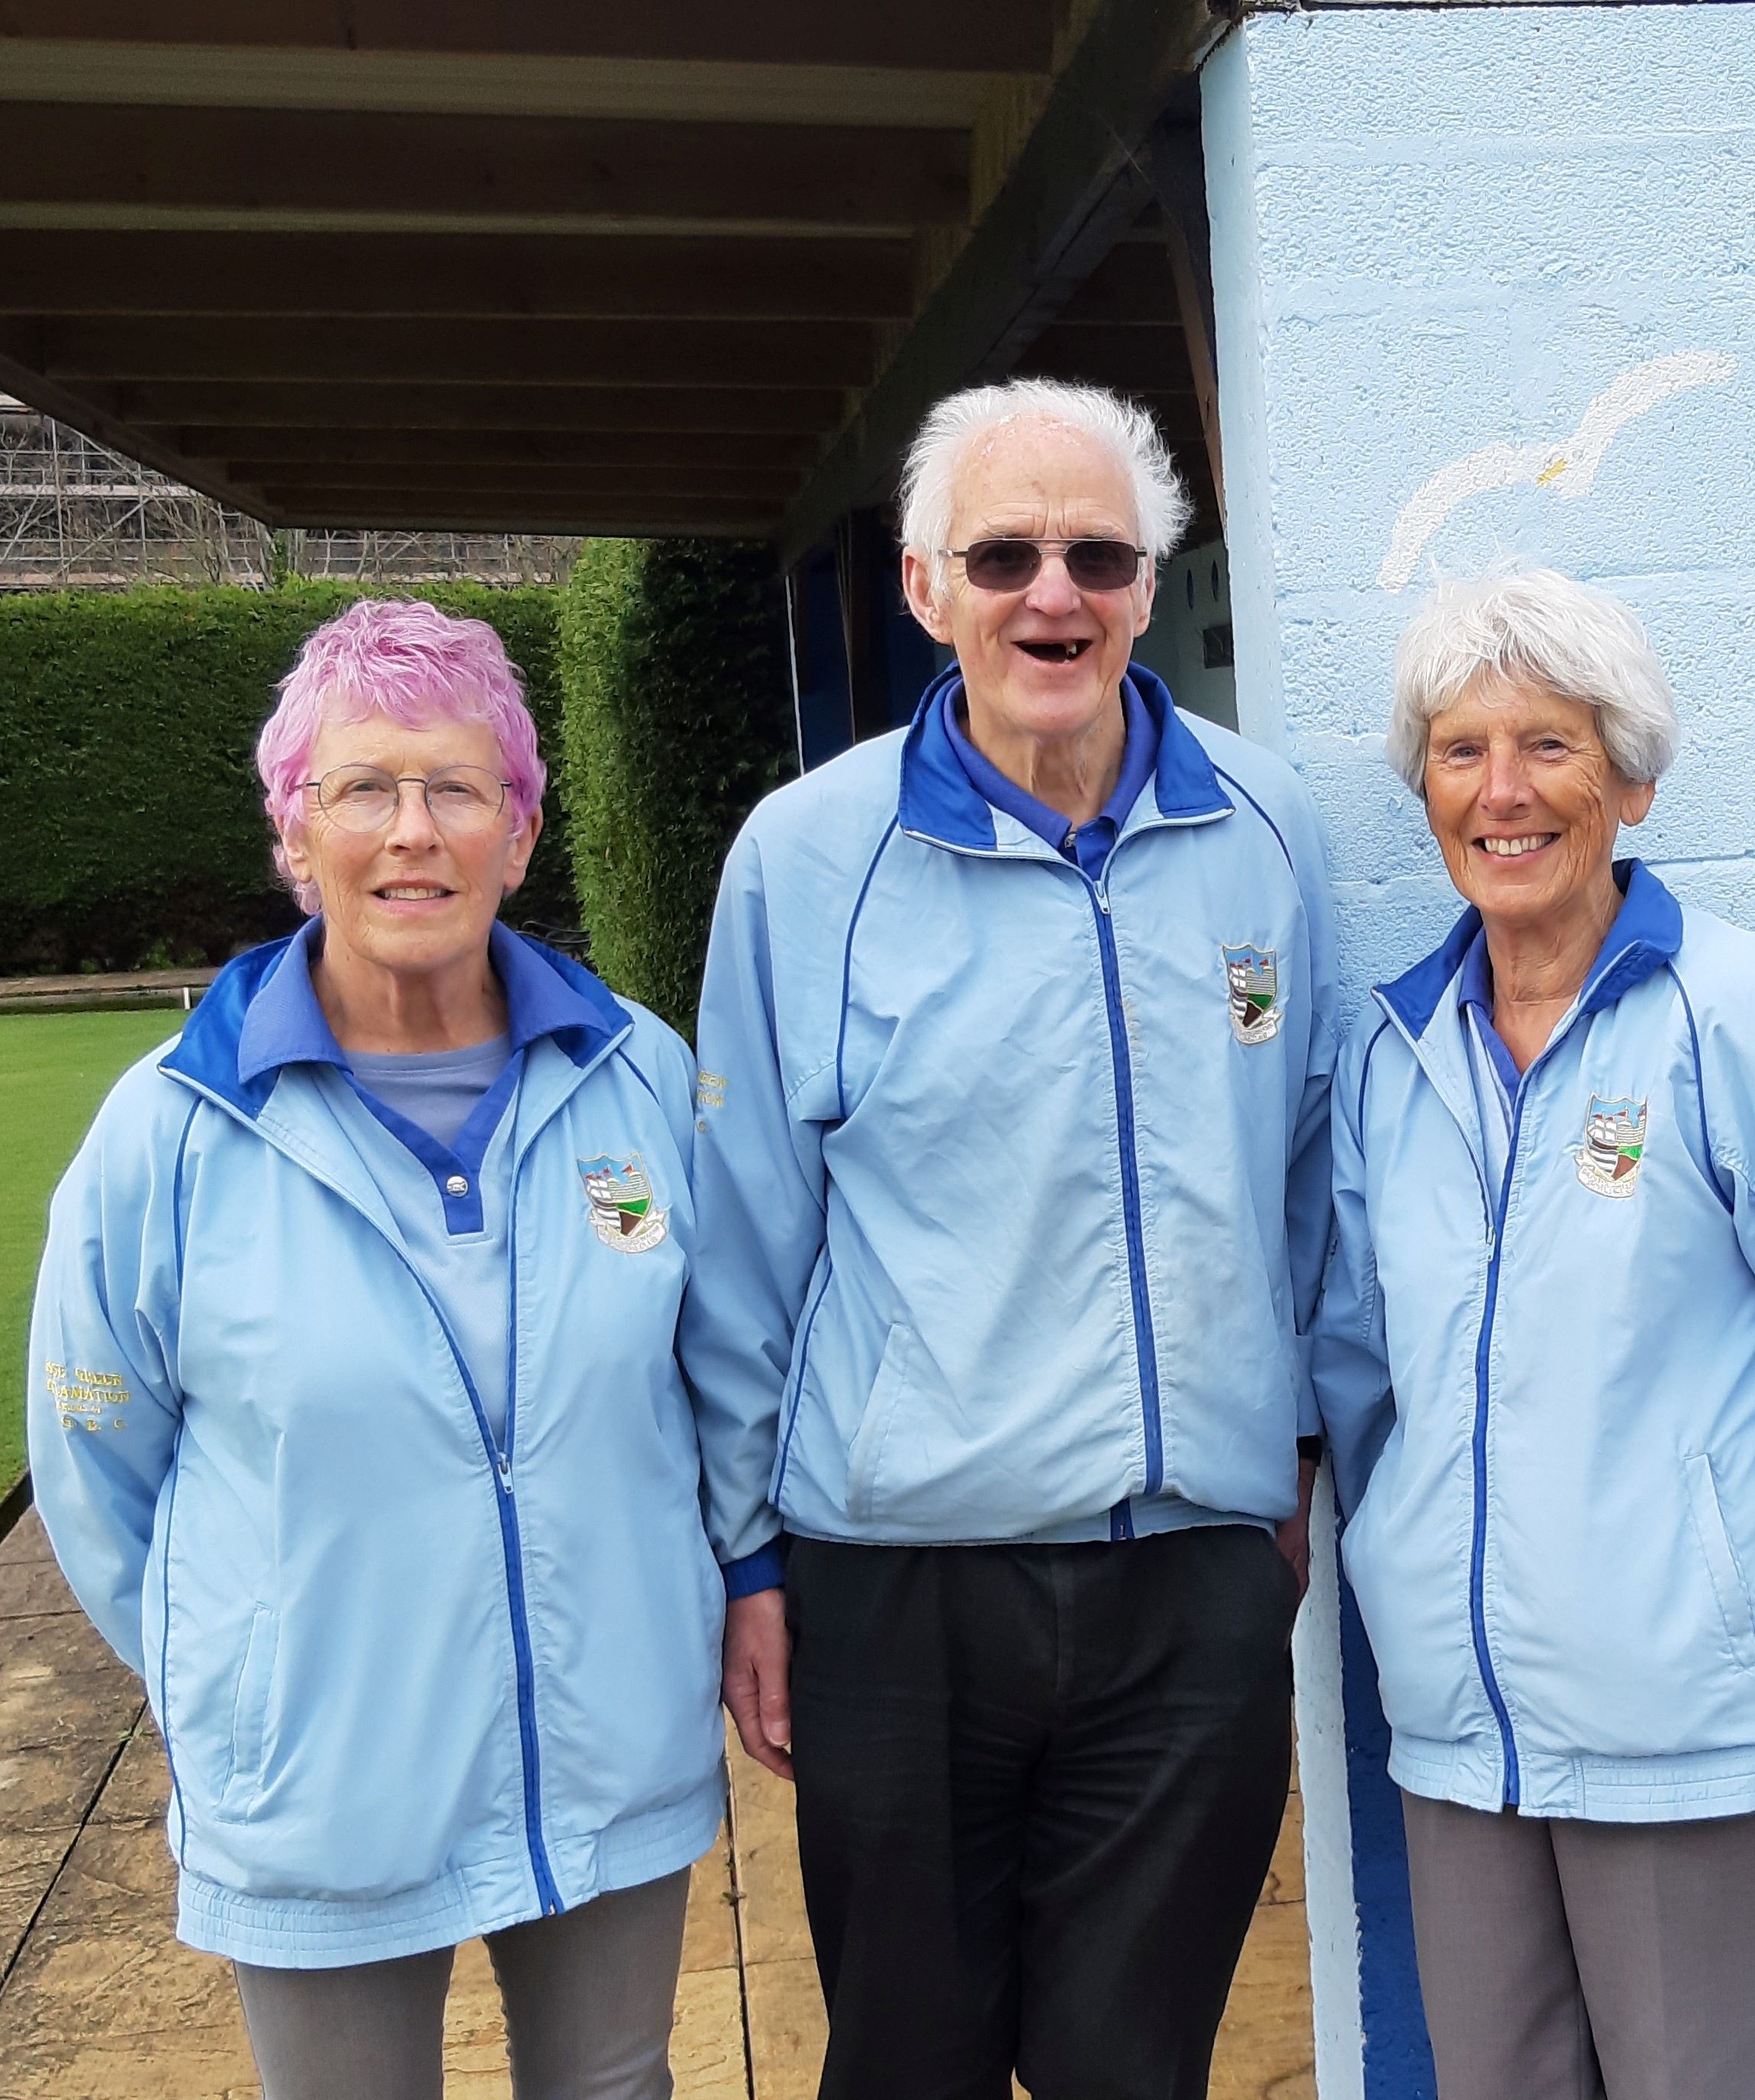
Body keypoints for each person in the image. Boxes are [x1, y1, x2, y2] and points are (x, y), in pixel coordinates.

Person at [683, 378, 1336, 2098]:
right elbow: (748, 1241)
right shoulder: (803, 861)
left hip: (1189, 1582)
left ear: (1147, 580)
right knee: (909, 2067)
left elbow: (1316, 1179)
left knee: (1136, 2069)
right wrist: (750, 1561)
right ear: (925, 588)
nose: (1053, 593)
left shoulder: (1268, 834)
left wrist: (1296, 1458)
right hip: (898, 1592)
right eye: (1004, 554)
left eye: (1097, 554)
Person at [26, 597, 720, 2100]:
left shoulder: (641, 1080)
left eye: (458, 788)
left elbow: (717, 1385)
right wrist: (245, 1680)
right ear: (296, 834)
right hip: (320, 1780)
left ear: (520, 833)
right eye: (363, 789)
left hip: (611, 1744)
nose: (414, 830)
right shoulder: (171, 1130)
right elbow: (93, 1456)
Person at [1309, 568, 1755, 2100]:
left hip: (1693, 1735)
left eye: (1548, 744)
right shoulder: (1392, 1054)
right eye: (1460, 748)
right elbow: (1360, 1368)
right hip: (1462, 1744)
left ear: (1627, 777)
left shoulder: (1736, 1013)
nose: (1502, 792)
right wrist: (1403, 1571)